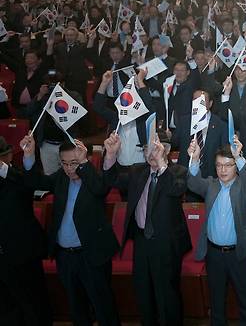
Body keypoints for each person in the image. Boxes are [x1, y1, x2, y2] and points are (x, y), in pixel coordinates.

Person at [18, 134, 121, 326]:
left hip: (91, 256)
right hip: (66, 256)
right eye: (64, 163)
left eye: (74, 163)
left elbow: (101, 188)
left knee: (103, 307)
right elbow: (35, 182)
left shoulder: (94, 178)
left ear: (84, 159)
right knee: (76, 308)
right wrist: (30, 156)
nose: (69, 168)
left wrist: (83, 165)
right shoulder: (61, 178)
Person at [103, 133, 191, 326]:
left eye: (156, 149)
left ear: (166, 151)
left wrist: (161, 165)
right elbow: (112, 179)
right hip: (142, 241)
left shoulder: (178, 171)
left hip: (166, 243)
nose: (151, 153)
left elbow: (176, 189)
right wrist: (110, 156)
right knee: (143, 291)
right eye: (146, 149)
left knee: (166, 293)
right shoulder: (137, 171)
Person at [186, 136, 246, 326]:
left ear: (235, 166)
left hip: (239, 254)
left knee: (245, 298)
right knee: (216, 301)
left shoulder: (243, 186)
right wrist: (194, 159)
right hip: (214, 254)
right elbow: (192, 183)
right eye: (219, 165)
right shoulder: (211, 185)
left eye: (228, 165)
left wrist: (239, 156)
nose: (223, 170)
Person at [0, 136, 52, 326]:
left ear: (8, 157)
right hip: (2, 258)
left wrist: (3, 170)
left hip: (24, 254)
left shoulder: (17, 179)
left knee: (34, 305)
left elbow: (31, 183)